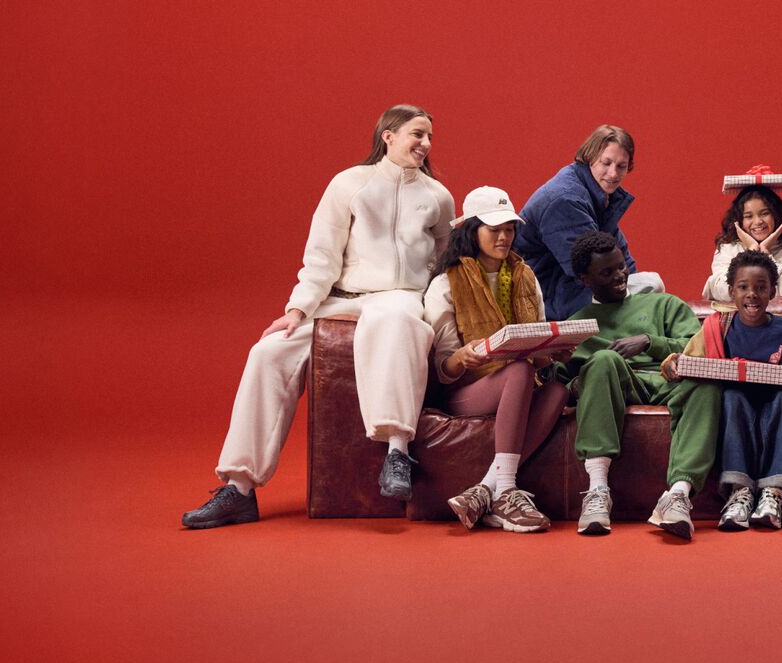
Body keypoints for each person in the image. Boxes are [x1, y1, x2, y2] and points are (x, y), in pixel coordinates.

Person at [182, 105, 454, 529]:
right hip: (342, 297)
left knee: (398, 322)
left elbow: (442, 264)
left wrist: (439, 314)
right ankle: (239, 487)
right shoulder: (349, 184)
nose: (425, 144)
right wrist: (298, 309)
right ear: (388, 135)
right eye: (417, 134)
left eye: (430, 137)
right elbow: (322, 255)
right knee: (268, 352)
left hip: (400, 297)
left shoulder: (437, 196)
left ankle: (397, 453)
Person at [424, 187, 571, 532]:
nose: (504, 237)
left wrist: (553, 351)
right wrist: (462, 357)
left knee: (558, 391)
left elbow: (538, 354)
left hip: (521, 382)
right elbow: (444, 370)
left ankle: (487, 487)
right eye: (494, 229)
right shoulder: (446, 284)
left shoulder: (525, 276)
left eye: (509, 228)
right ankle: (506, 491)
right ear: (471, 230)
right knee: (518, 369)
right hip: (467, 390)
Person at [561, 232, 722, 540]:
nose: (620, 276)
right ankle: (597, 490)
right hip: (617, 384)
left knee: (708, 382)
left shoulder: (664, 304)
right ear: (585, 279)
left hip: (669, 381)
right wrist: (580, 384)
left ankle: (678, 495)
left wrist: (650, 342)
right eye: (606, 273)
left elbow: (697, 346)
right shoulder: (578, 324)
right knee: (604, 359)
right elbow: (559, 380)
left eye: (621, 266)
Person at [669, 252, 782, 531]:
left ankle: (774, 492)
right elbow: (690, 362)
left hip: (778, 401)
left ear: (773, 291)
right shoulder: (718, 327)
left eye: (761, 287)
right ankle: (739, 492)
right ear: (731, 291)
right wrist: (675, 364)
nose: (752, 295)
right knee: (732, 397)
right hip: (737, 404)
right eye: (744, 287)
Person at [515, 125, 663, 321]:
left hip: (569, 287)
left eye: (621, 166)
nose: (613, 173)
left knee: (646, 288)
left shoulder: (598, 194)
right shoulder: (566, 200)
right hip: (547, 297)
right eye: (606, 163)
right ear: (589, 157)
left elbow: (620, 257)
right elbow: (589, 271)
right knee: (651, 284)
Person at [700, 185, 782, 304]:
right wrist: (751, 251)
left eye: (764, 213)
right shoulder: (727, 248)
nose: (758, 222)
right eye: (748, 216)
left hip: (781, 319)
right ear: (739, 221)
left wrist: (765, 254)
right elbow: (719, 290)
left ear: (776, 215)